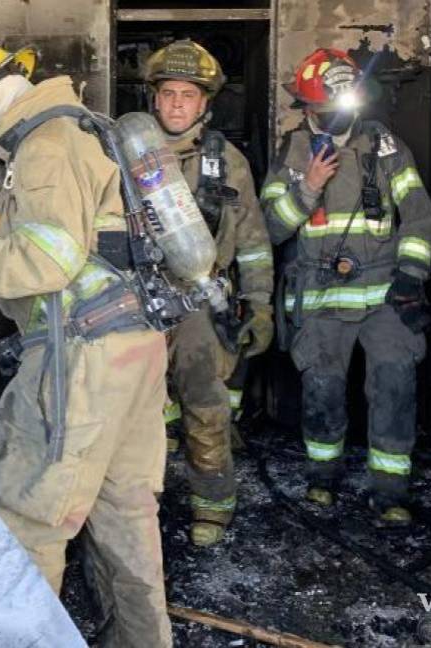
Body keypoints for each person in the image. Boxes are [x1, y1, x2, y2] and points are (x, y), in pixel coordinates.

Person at [0, 43, 172, 645]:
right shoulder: (85, 130)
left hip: (84, 356)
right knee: (126, 524)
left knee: (18, 524)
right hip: (131, 350)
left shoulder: (47, 144)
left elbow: (45, 261)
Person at [260, 48, 431, 525]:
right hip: (320, 296)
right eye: (324, 111)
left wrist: (410, 275)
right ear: (307, 109)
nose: (335, 120)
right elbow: (271, 228)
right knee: (322, 389)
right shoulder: (290, 152)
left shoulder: (384, 147)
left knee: (395, 382)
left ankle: (390, 491)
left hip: (384, 294)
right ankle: (323, 479)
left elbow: (419, 214)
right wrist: (308, 188)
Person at [144, 40, 274, 546]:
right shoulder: (125, 159)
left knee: (205, 405)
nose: (177, 103)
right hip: (141, 303)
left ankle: (213, 504)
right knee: (136, 410)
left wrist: (260, 307)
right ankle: (137, 508)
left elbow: (255, 244)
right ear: (154, 99)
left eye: (188, 95)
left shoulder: (228, 163)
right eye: (168, 93)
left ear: (205, 104)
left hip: (198, 304)